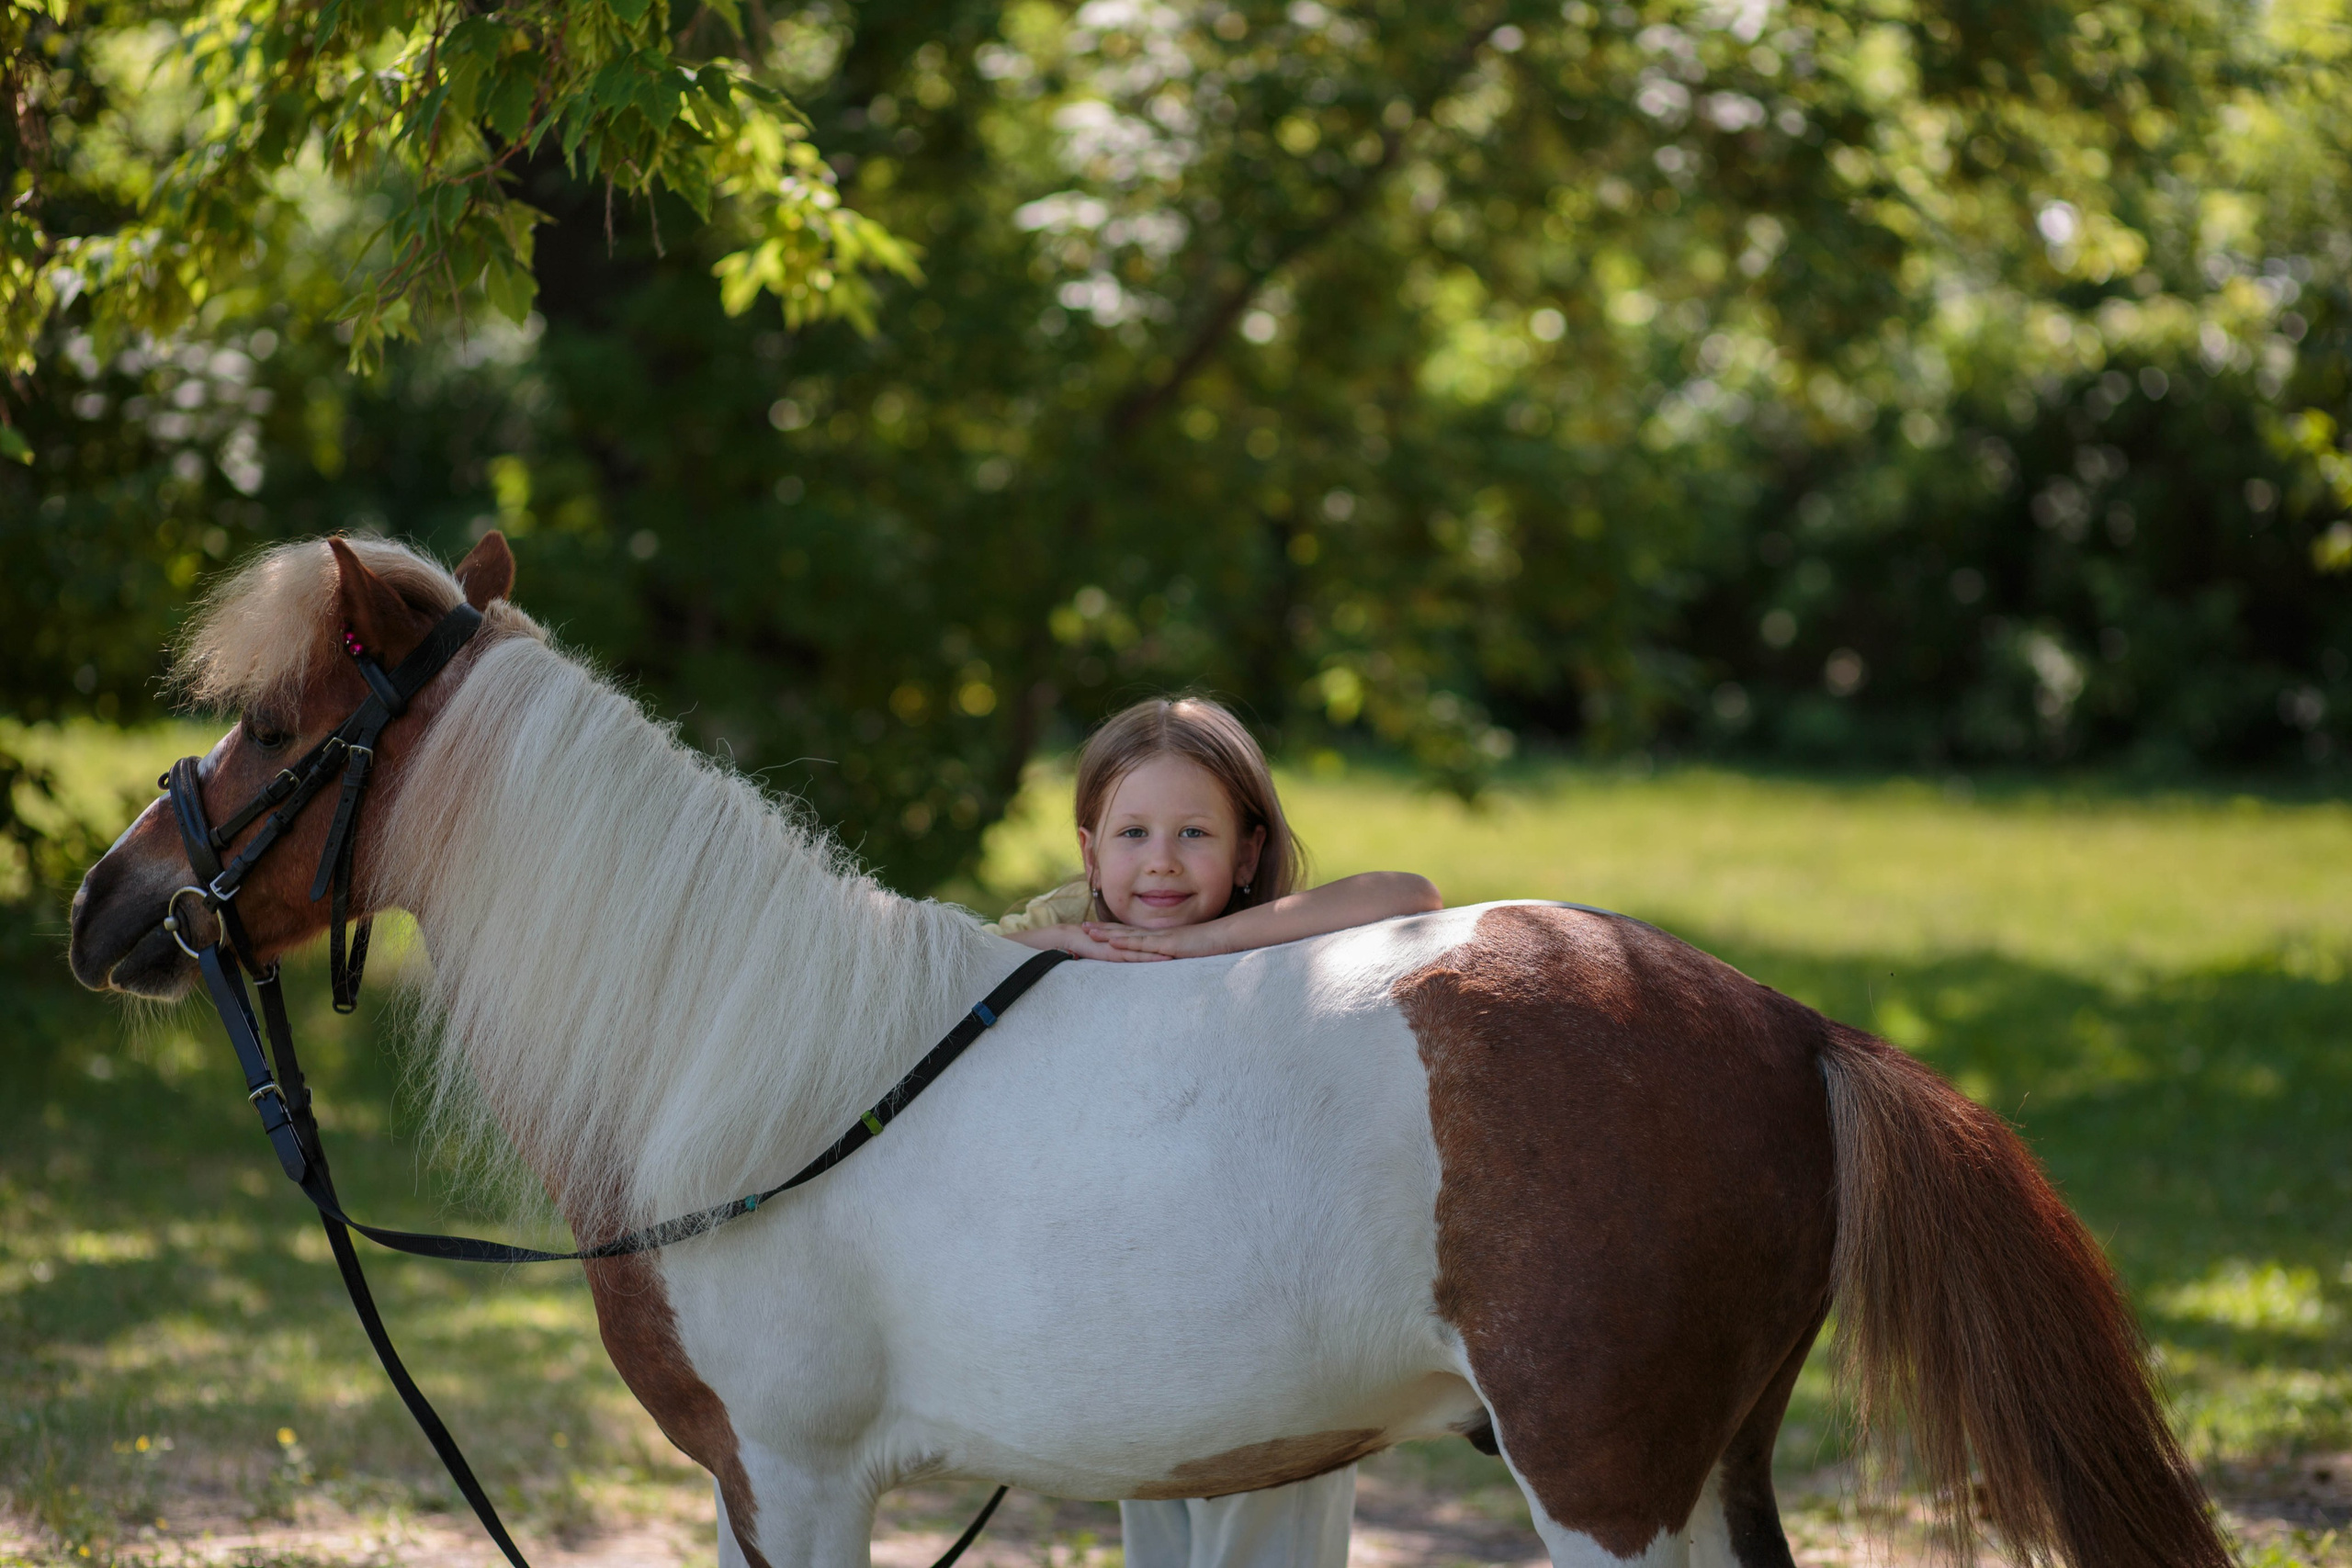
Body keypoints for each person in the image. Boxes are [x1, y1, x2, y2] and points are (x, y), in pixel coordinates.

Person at [985, 694, 1442, 1568]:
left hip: (1279, 1324)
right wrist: (1054, 946)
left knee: (1266, 1540)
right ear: (1089, 851)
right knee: (1158, 1531)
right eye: (1132, 835)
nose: (1160, 864)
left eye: (1195, 834)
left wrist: (1218, 942)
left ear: (1248, 852)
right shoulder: (1069, 934)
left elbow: (1411, 895)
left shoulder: (1271, 947)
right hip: (1144, 1321)